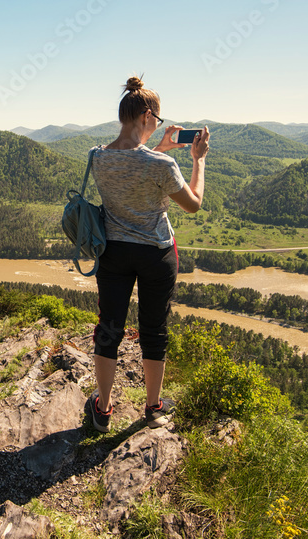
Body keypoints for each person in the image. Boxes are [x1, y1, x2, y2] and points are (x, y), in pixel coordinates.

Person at [83, 76, 209, 432]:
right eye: (156, 118)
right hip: (156, 254)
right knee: (154, 329)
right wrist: (198, 160)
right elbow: (194, 205)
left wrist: (161, 147)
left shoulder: (98, 157)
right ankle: (153, 408)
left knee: (109, 327)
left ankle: (103, 408)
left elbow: (132, 166)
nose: (158, 123)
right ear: (146, 116)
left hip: (114, 252)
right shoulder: (161, 165)